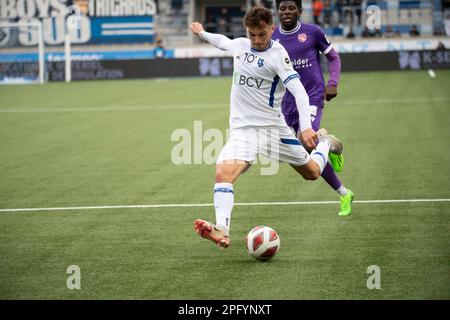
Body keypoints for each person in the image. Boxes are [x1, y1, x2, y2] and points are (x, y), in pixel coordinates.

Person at [189, 6, 345, 249]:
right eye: (252, 34)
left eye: (262, 34)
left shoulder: (278, 55)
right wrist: (202, 33)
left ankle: (325, 143)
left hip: (273, 130)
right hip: (243, 130)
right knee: (223, 173)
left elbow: (299, 92)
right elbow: (222, 42)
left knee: (312, 173)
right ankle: (222, 229)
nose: (257, 40)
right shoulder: (241, 46)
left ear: (272, 29)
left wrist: (305, 127)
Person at [273, 0, 354, 216]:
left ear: (299, 11)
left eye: (291, 8)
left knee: (305, 138)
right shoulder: (271, 37)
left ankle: (323, 144)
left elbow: (333, 57)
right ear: (277, 11)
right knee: (300, 152)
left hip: (312, 95)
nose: (287, 12)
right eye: (282, 8)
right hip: (286, 102)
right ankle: (343, 188)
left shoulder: (313, 32)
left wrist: (333, 82)